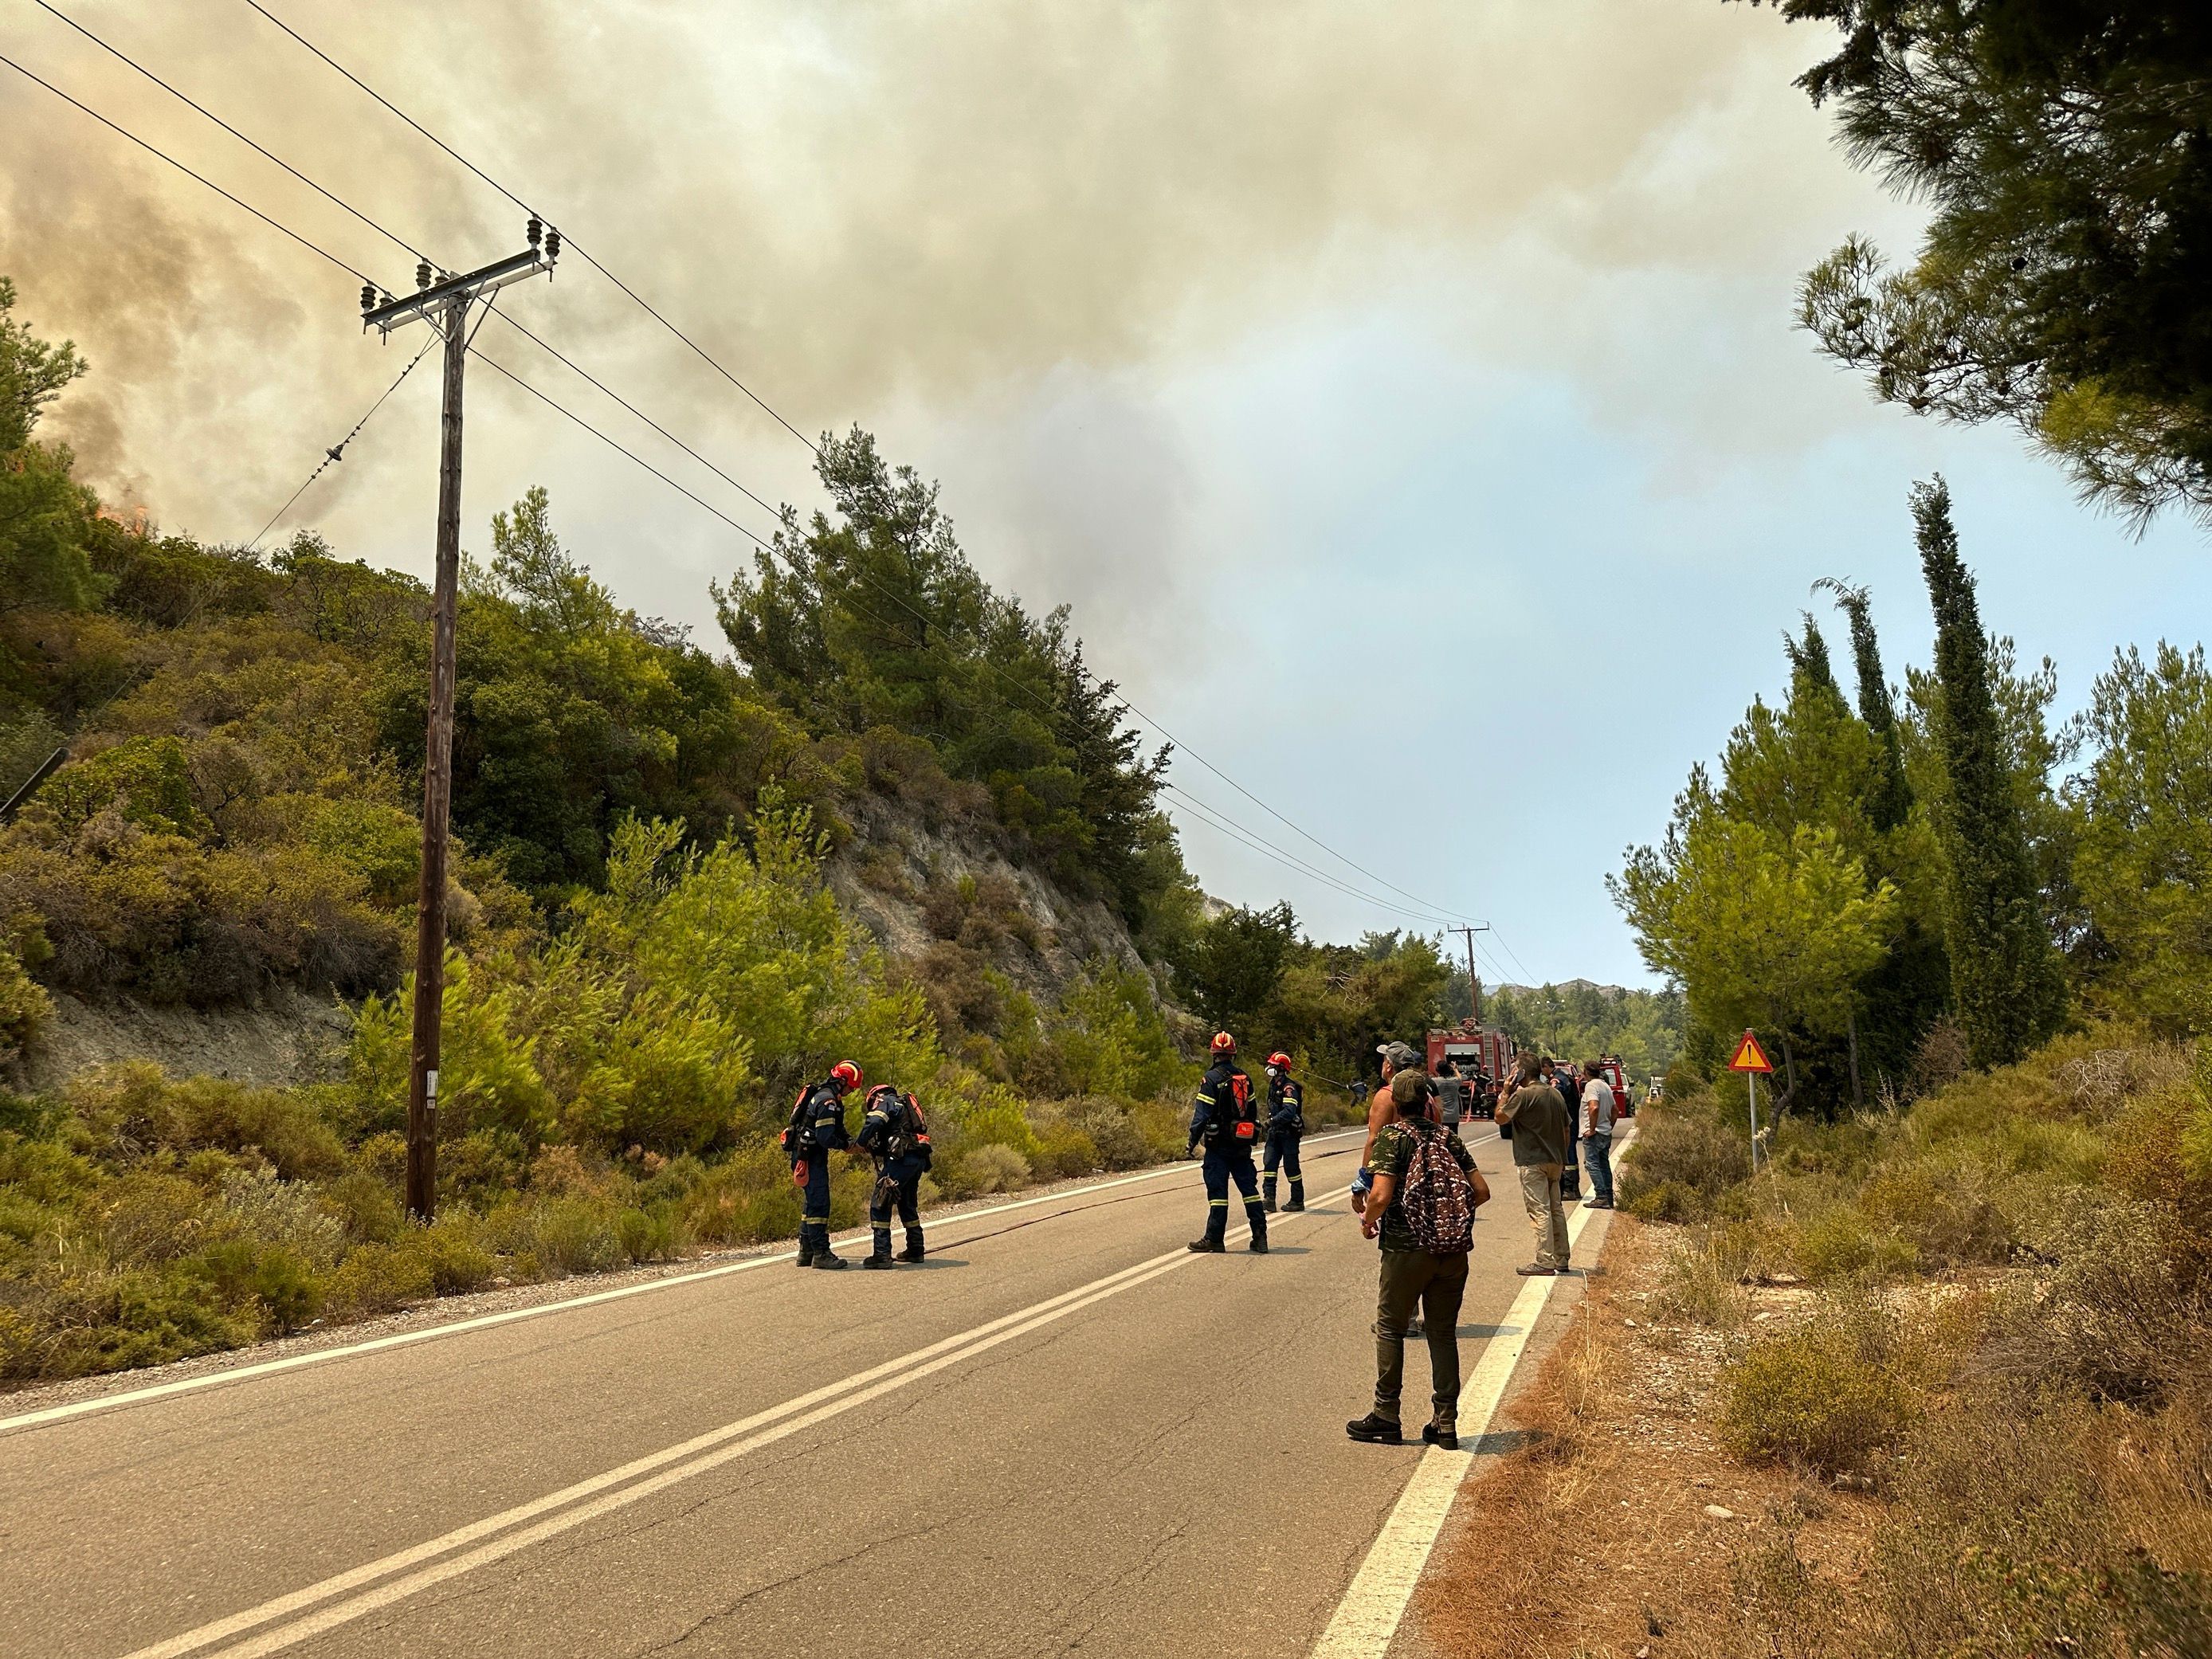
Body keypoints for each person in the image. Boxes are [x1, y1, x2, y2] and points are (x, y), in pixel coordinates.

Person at [1344, 1064, 1483, 1449]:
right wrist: (1446, 1217)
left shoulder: (1393, 1137)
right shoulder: (1447, 1138)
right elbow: (1481, 1191)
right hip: (1452, 1252)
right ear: (1426, 1101)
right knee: (1442, 1333)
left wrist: (1368, 1220)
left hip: (1406, 1250)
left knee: (1390, 1328)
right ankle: (1446, 1423)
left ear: (1396, 1102)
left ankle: (1386, 1415)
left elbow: (1381, 1195)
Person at [1187, 1033, 1269, 1254]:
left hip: (1218, 1146)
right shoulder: (1244, 1077)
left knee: (1218, 1193)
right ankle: (1260, 1237)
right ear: (1233, 1054)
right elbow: (1252, 1112)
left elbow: (1201, 1115)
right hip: (1241, 1144)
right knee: (1250, 1191)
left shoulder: (1211, 1079)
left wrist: (1192, 1141)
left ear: (1214, 1053)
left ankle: (1214, 1238)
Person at [1496, 1053, 1572, 1274]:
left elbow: (1500, 1117)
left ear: (1520, 1072)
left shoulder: (1524, 1095)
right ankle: (1561, 1258)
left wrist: (1505, 1092)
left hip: (1532, 1161)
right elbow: (1566, 1128)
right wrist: (1563, 1156)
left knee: (1539, 1211)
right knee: (1555, 1209)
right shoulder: (1555, 1094)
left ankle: (1544, 1261)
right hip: (1555, 1160)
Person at [784, 1061, 861, 1269]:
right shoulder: (828, 1102)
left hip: (805, 1155)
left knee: (811, 1203)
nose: (851, 1091)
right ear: (843, 1081)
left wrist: (851, 1141)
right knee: (819, 1204)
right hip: (812, 1158)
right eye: (851, 1087)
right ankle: (821, 1253)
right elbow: (826, 1138)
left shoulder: (826, 1096)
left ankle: (806, 1252)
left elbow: (838, 1128)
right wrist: (845, 1146)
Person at [855, 1082, 933, 1267]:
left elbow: (874, 1121)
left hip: (901, 1159)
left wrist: (861, 1142)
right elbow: (897, 1135)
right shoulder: (903, 1105)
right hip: (917, 1158)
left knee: (880, 1201)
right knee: (906, 1202)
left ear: (874, 1096)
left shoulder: (884, 1101)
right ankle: (916, 1249)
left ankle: (881, 1255)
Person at [1261, 1050, 1306, 1213]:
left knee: (1291, 1168)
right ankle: (1269, 1199)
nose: (1269, 1068)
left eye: (1272, 1066)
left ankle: (1297, 1200)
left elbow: (1289, 1111)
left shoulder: (1289, 1087)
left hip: (1289, 1134)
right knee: (1269, 1164)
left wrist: (1272, 1121)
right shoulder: (1274, 1085)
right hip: (1275, 1133)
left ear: (1281, 1068)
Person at [1542, 1057, 1583, 1202]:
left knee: (1567, 1153)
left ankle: (1569, 1189)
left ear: (1546, 1067)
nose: (1542, 1072)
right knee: (1570, 1152)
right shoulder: (1565, 1077)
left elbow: (1552, 1095)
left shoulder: (1558, 1080)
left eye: (1542, 1069)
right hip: (1571, 1120)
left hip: (1567, 1121)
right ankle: (1574, 1188)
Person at [1578, 1059, 1617, 1209]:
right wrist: (1609, 1126)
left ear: (1586, 1072)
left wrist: (1592, 1129)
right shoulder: (1605, 1086)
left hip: (1595, 1133)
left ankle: (1601, 1196)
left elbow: (1593, 1107)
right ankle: (1608, 1196)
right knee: (1604, 1164)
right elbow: (1614, 1110)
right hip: (1605, 1132)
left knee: (1592, 1164)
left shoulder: (1591, 1086)